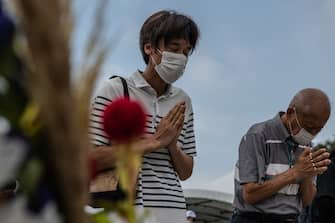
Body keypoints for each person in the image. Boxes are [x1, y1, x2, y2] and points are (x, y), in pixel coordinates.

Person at [89, 10, 199, 223]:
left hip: (173, 210)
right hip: (126, 209)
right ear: (149, 48)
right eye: (174, 49)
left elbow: (186, 172)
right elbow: (91, 158)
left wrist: (172, 145)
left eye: (186, 52)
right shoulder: (115, 90)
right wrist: (154, 142)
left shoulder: (183, 101)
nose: (181, 58)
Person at [231, 88, 332, 223]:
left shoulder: (307, 146)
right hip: (253, 218)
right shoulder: (258, 136)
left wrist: (306, 175)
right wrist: (295, 172)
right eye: (308, 128)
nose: (311, 134)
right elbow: (250, 194)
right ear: (290, 113)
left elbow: (307, 200)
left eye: (318, 130)